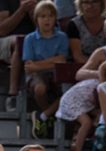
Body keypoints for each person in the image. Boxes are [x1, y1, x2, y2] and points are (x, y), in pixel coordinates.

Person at [56, 11, 106, 151]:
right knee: (87, 122)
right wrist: (100, 73)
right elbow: (79, 73)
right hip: (84, 94)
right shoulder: (103, 52)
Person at [24, 0, 69, 139]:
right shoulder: (30, 39)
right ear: (36, 19)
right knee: (40, 88)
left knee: (68, 91)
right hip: (37, 74)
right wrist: (51, 62)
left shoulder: (62, 37)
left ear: (55, 18)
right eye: (42, 16)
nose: (47, 20)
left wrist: (38, 63)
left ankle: (42, 116)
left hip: (57, 73)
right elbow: (29, 67)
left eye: (50, 16)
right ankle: (48, 116)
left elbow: (62, 60)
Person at [0, 0, 37, 111]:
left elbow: (47, 29)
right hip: (3, 40)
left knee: (30, 41)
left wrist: (34, 13)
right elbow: (3, 29)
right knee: (21, 41)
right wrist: (21, 10)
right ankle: (12, 94)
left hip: (34, 39)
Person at [66, 0, 106, 65]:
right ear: (80, 5)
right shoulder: (74, 24)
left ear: (102, 4)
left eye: (94, 2)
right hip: (81, 67)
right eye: (86, 2)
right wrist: (93, 66)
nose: (90, 6)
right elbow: (77, 56)